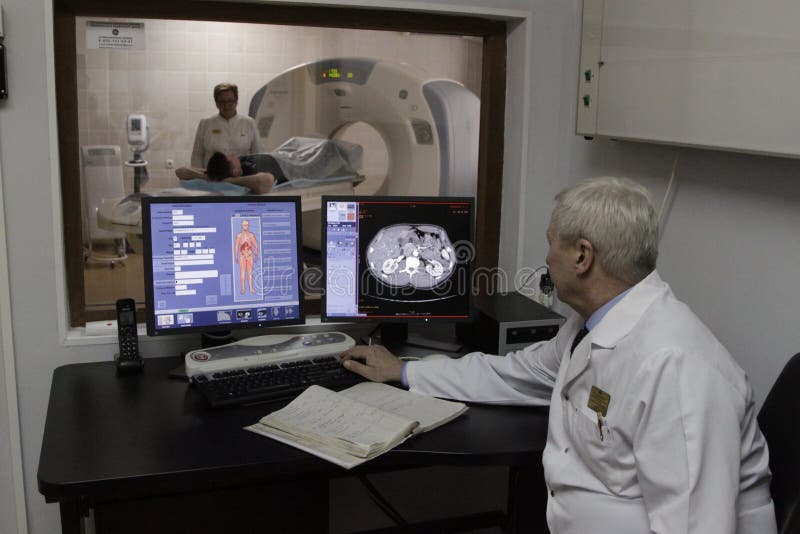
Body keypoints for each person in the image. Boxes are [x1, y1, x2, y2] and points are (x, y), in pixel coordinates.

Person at [341, 177, 777, 534]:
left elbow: (697, 527)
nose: (546, 259)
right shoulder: (591, 325)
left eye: (551, 244)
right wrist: (405, 371)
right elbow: (513, 374)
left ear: (582, 256)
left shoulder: (677, 366)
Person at [190, 82, 261, 169]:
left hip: (241, 178)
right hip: (212, 178)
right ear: (216, 103)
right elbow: (197, 155)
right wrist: (199, 179)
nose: (226, 105)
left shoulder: (249, 123)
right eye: (222, 101)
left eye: (230, 101)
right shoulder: (205, 124)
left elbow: (258, 154)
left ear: (236, 101)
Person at [175, 152, 275, 194]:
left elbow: (181, 171)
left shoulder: (242, 168)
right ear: (235, 171)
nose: (233, 155)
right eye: (231, 158)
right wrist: (227, 180)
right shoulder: (248, 173)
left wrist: (211, 177)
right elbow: (268, 179)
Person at [234, 219, 258, 294]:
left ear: (248, 226)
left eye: (247, 225)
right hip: (242, 255)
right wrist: (236, 256)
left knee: (250, 272)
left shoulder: (251, 235)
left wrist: (256, 255)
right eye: (244, 225)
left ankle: (251, 288)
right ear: (242, 225)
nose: (245, 226)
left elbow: (255, 245)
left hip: (250, 255)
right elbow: (236, 246)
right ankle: (243, 288)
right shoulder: (239, 235)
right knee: (243, 272)